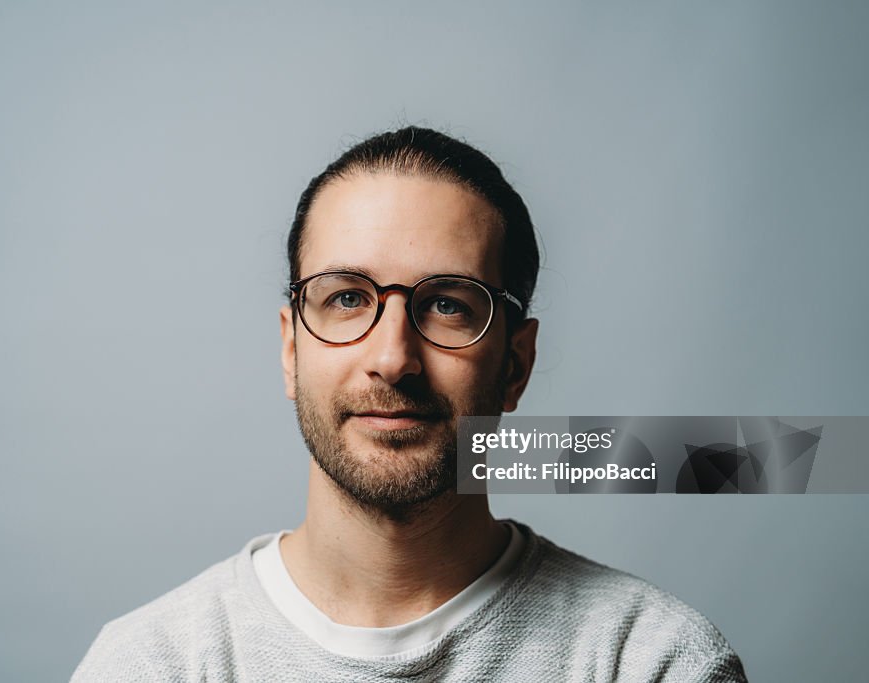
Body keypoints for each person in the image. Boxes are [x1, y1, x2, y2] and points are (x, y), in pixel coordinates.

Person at [72, 127, 747, 682]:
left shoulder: (653, 663)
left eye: (448, 304)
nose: (393, 357)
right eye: (346, 298)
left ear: (515, 364)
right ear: (291, 349)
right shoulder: (148, 665)